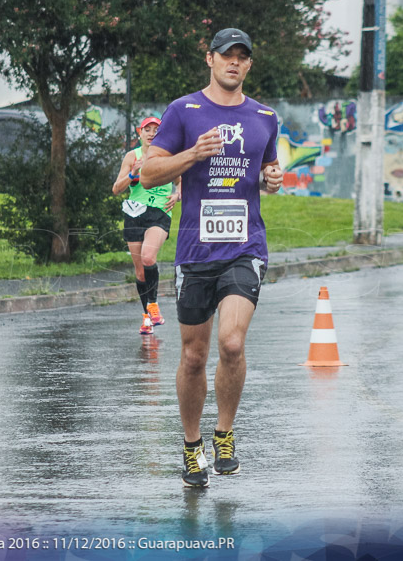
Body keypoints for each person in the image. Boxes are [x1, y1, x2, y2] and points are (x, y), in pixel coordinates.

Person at [141, 28, 283, 487]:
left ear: (249, 65)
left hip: (246, 247)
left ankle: (224, 433)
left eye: (242, 57)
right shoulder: (184, 111)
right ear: (210, 59)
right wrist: (192, 153)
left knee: (233, 344)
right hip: (196, 249)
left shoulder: (265, 116)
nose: (234, 64)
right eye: (227, 56)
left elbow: (264, 172)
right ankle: (190, 445)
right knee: (194, 354)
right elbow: (147, 173)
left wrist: (272, 179)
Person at [111, 116, 180, 336]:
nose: (151, 133)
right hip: (134, 213)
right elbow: (116, 189)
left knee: (148, 257)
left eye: (155, 130)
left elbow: (182, 179)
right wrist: (133, 174)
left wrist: (178, 194)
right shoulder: (132, 156)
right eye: (147, 129)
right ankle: (147, 318)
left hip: (159, 212)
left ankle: (153, 305)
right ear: (140, 133)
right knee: (140, 272)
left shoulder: (167, 156)